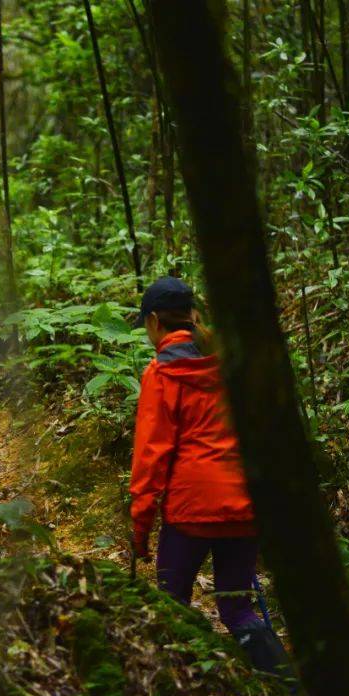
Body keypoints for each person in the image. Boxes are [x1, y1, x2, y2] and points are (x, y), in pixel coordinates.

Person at [129, 277, 289, 675]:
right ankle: (286, 687)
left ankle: (183, 686)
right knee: (237, 607)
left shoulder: (162, 373)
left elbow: (152, 455)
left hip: (191, 511)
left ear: (153, 322)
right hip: (243, 504)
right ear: (194, 314)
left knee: (171, 601)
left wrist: (140, 524)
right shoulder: (231, 361)